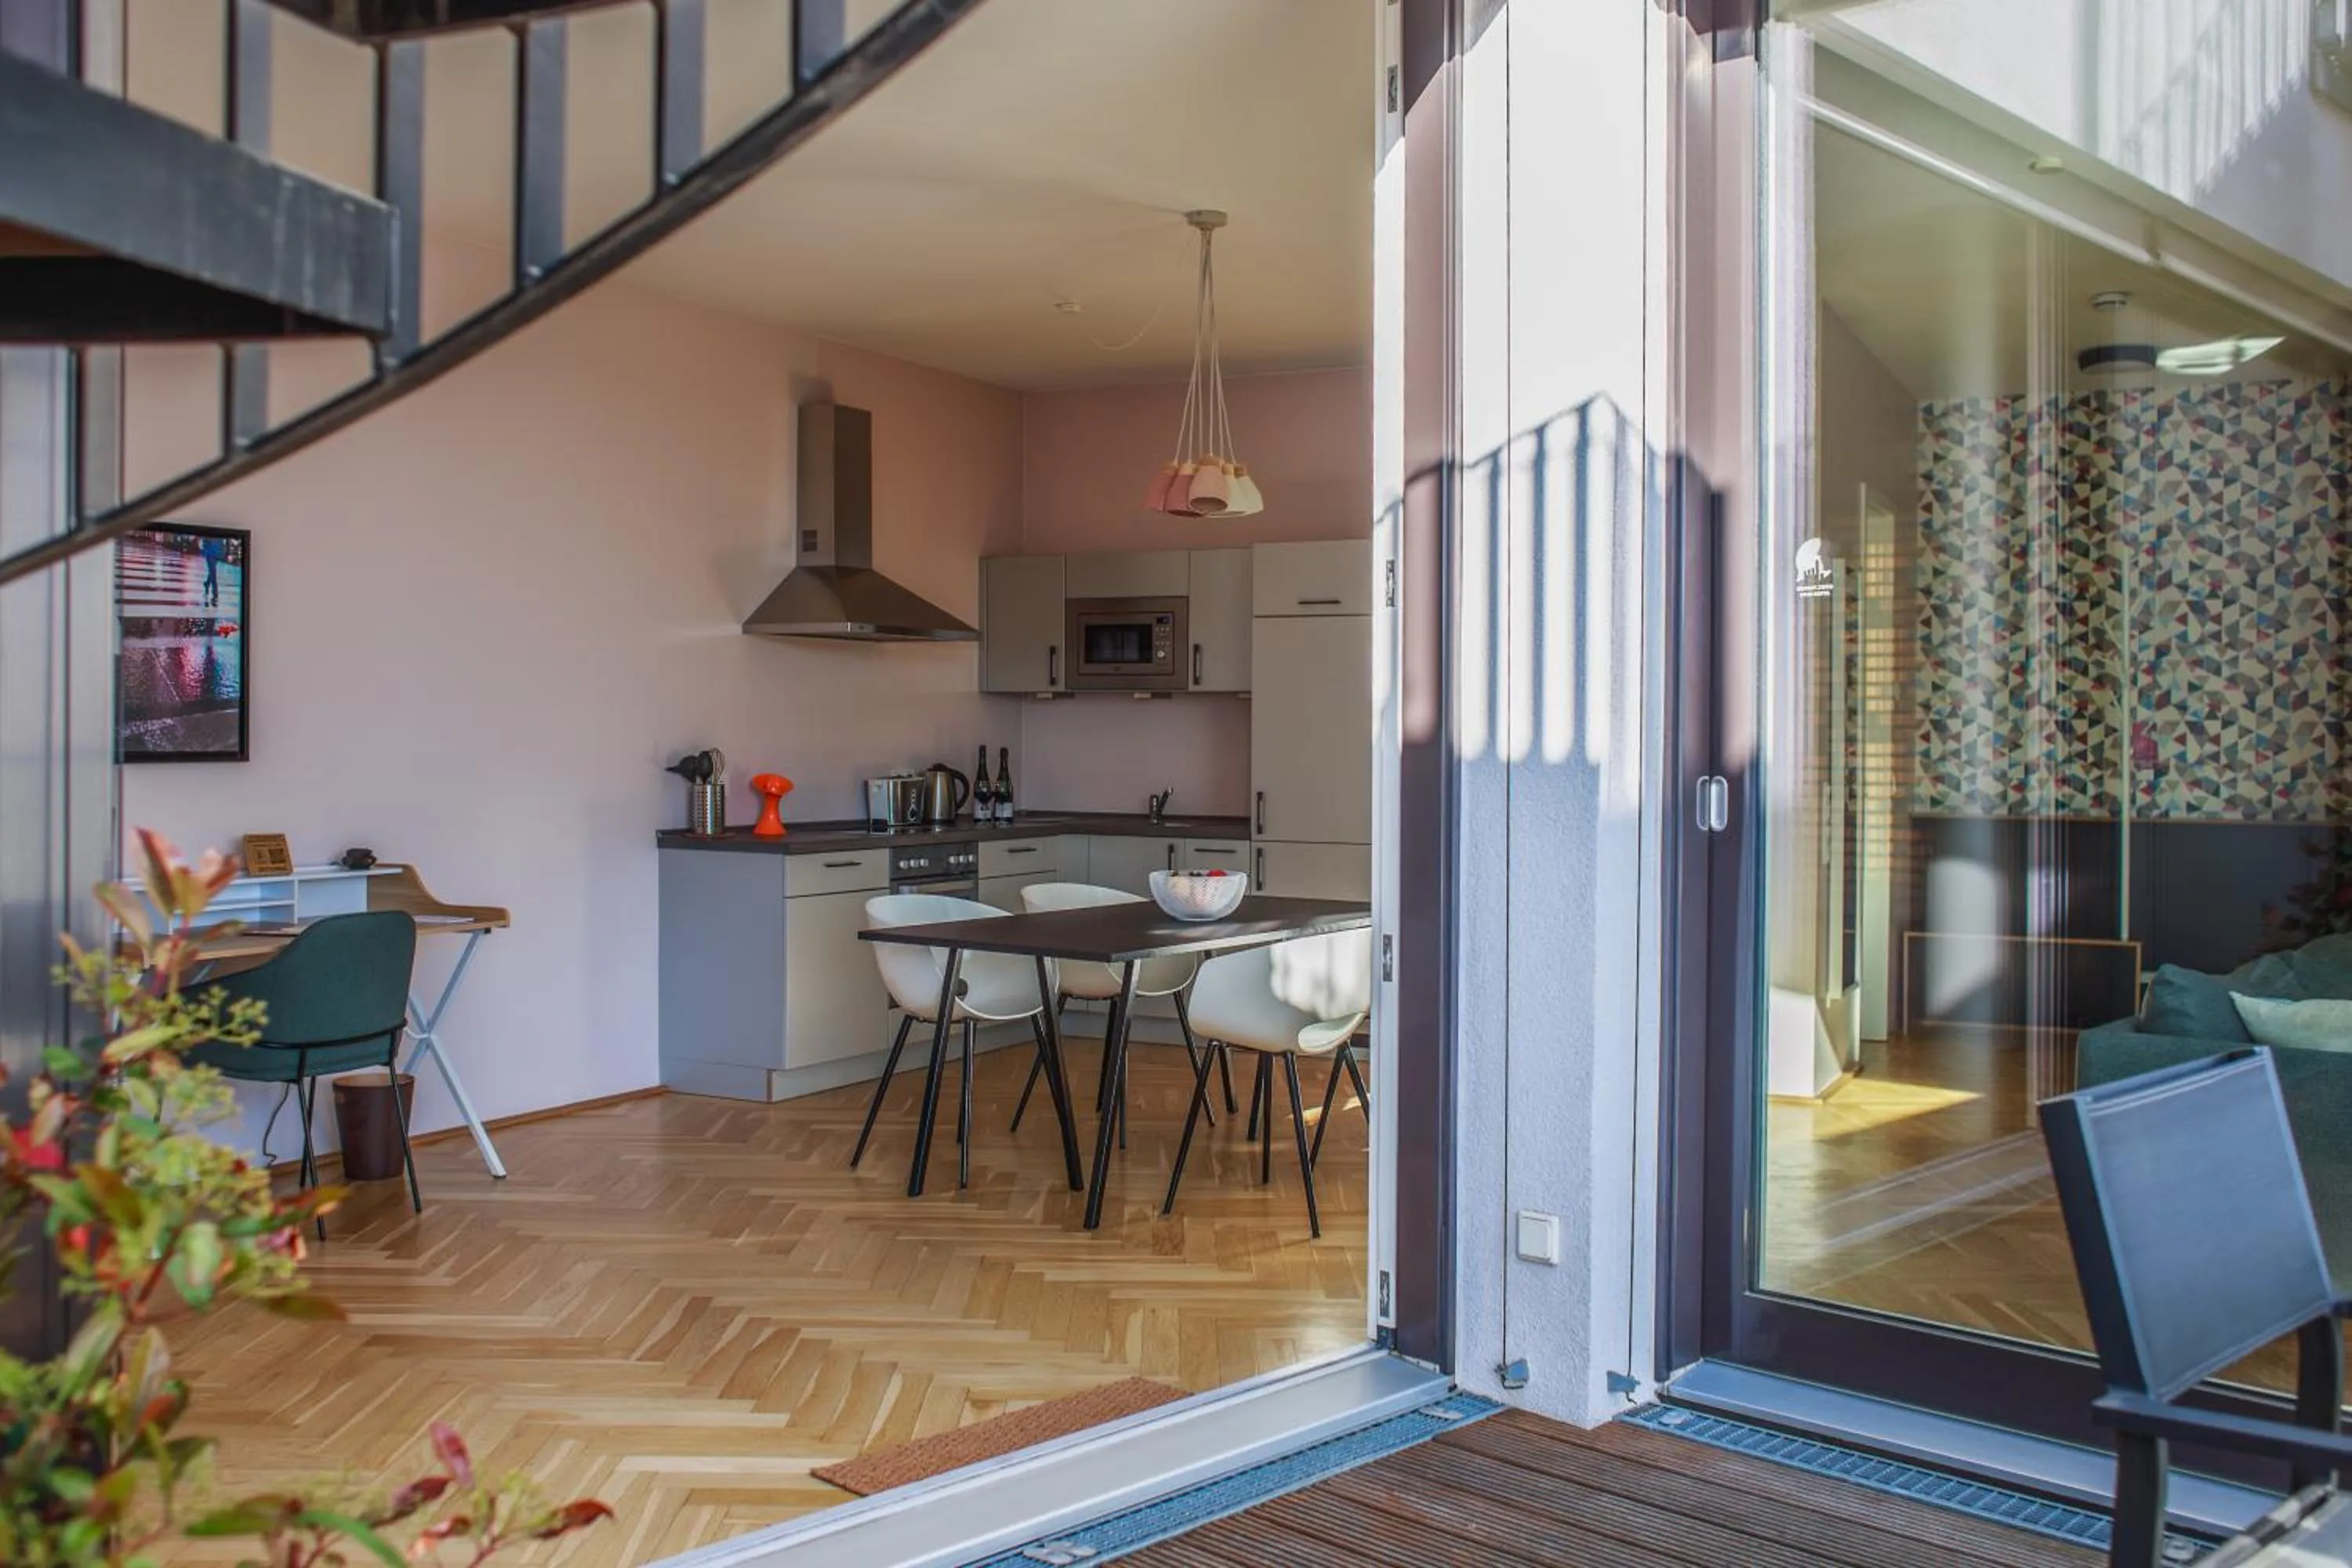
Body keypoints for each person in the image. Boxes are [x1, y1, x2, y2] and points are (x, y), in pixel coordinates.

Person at [198, 533, 226, 608]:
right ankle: (215, 594)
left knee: (212, 571)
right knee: (213, 572)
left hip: (218, 550)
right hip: (210, 550)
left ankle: (207, 584)